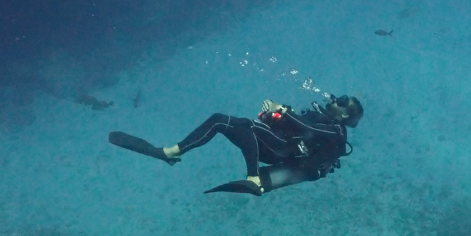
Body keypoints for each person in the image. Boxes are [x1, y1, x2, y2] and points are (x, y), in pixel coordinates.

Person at [108, 93, 363, 196]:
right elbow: (293, 125)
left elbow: (310, 130)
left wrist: (283, 110)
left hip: (281, 151)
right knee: (220, 120)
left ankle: (253, 178)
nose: (334, 99)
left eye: (342, 102)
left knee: (245, 125)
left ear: (344, 115)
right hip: (273, 143)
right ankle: (169, 152)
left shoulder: (336, 131)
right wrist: (272, 115)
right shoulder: (318, 115)